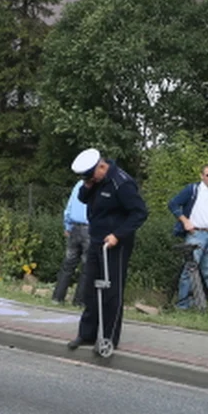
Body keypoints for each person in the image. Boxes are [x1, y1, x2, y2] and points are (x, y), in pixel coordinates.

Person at [66, 149, 149, 352]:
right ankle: (86, 334)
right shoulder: (95, 181)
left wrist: (118, 235)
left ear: (102, 166)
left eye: (90, 175)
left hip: (115, 243)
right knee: (91, 289)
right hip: (96, 239)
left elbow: (139, 213)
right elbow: (84, 198)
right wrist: (87, 185)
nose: (89, 179)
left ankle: (109, 338)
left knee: (112, 292)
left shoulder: (122, 183)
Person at [167, 162, 208, 310]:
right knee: (189, 270)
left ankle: (204, 304)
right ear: (202, 176)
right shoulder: (193, 190)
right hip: (196, 234)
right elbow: (173, 204)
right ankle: (182, 306)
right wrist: (185, 221)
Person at [52, 179, 91, 306]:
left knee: (68, 264)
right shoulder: (98, 186)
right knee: (86, 267)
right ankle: (79, 301)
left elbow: (68, 208)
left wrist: (67, 226)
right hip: (89, 229)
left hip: (74, 227)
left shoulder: (79, 184)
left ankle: (57, 297)